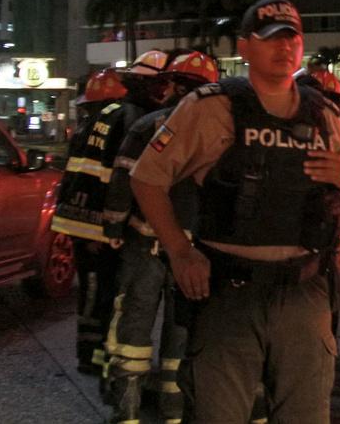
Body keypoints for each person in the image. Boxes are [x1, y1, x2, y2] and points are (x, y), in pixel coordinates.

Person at [130, 0, 340, 424]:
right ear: (245, 47)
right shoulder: (210, 107)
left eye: (292, 38)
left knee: (307, 415)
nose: (285, 47)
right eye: (271, 38)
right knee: (219, 414)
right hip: (229, 294)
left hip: (305, 292)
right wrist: (180, 253)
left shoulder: (323, 114)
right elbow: (147, 178)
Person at [102, 51, 220, 424]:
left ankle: (128, 413)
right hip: (194, 248)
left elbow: (123, 181)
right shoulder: (222, 132)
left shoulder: (150, 125)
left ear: (171, 84)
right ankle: (173, 412)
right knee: (181, 330)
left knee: (133, 325)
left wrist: (114, 227)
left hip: (146, 241)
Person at [52, 50, 173, 376]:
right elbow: (128, 177)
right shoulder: (134, 118)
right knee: (107, 292)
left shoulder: (103, 115)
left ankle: (91, 356)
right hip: (103, 221)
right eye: (163, 84)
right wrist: (118, 225)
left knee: (93, 291)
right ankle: (100, 362)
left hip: (79, 216)